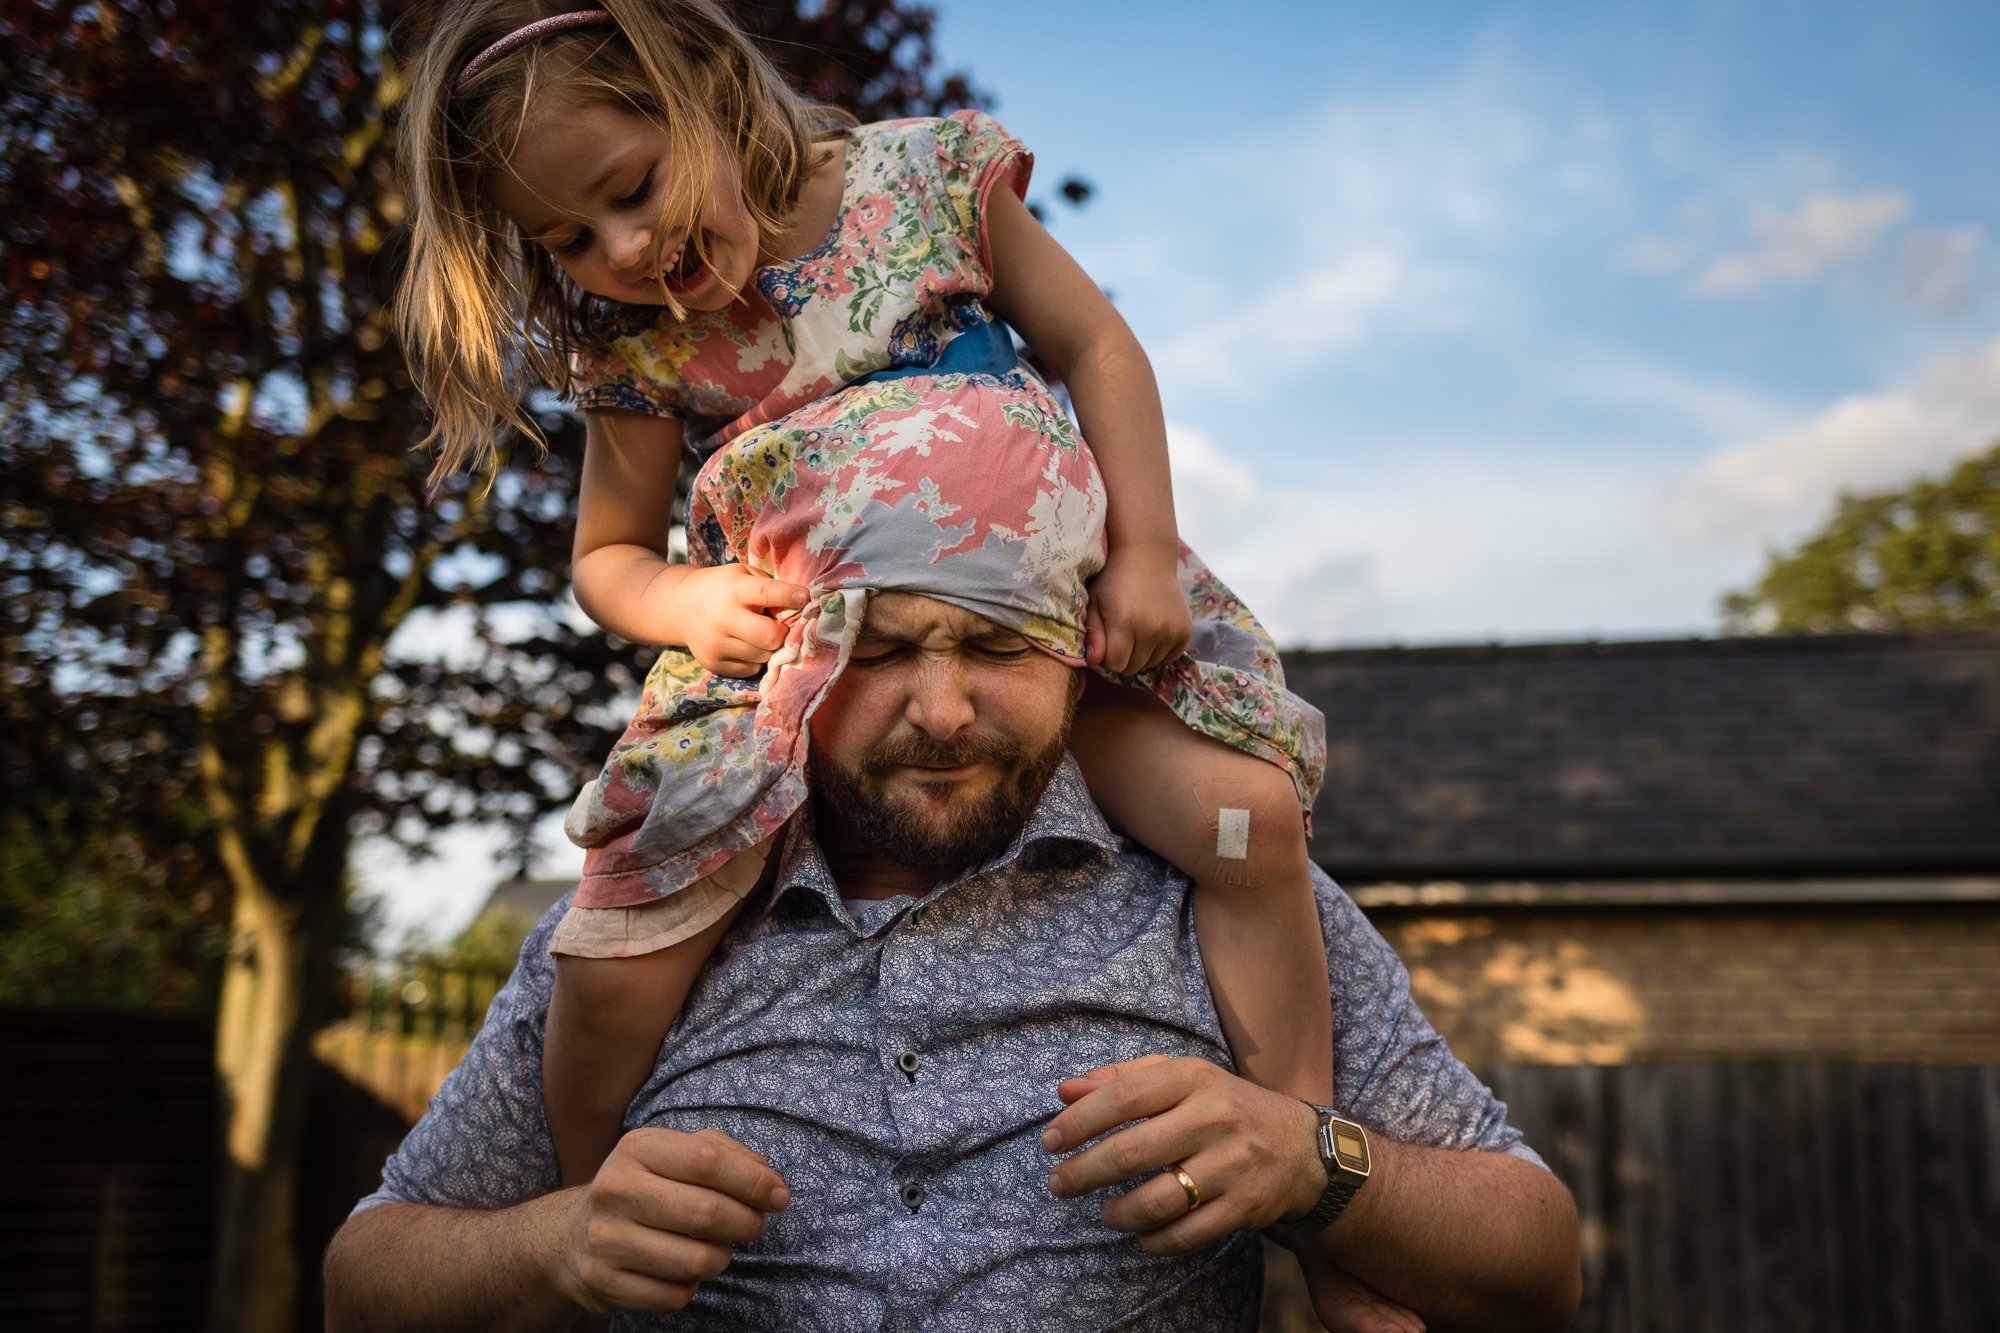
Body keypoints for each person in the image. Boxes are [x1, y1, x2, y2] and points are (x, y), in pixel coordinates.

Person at [395, 0, 1338, 1196]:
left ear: (702, 85)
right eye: (569, 240)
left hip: (1047, 642)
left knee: (1244, 823)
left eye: (631, 188)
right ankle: (586, 1210)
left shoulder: (925, 179)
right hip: (799, 678)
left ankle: (1303, 1161)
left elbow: (1098, 345)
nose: (621, 250)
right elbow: (607, 558)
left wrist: (1142, 550)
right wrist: (680, 605)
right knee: (618, 948)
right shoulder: (634, 347)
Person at [324, 588, 1582, 1332]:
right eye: (875, 651)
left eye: (997, 646)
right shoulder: (638, 932)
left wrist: (1312, 1162)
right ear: (791, 666)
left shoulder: (1234, 901)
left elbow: (1536, 1266)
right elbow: (363, 1283)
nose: (940, 708)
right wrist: (552, 1240)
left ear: (1080, 661)